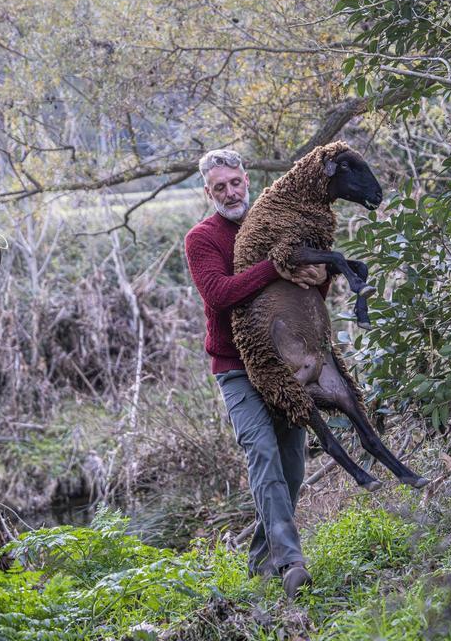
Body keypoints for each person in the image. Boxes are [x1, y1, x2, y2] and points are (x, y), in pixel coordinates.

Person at [183, 148, 327, 598]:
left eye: (235, 182)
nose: (230, 192)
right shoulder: (201, 238)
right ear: (208, 193)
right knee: (261, 454)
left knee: (292, 465)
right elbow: (221, 294)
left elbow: (307, 287)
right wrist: (275, 265)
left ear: (247, 179)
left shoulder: (274, 221)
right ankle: (291, 564)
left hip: (284, 363)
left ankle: (262, 563)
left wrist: (318, 274)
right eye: (219, 187)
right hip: (236, 368)